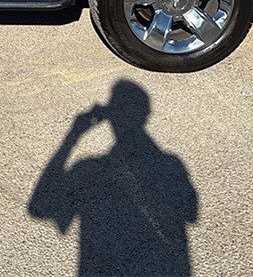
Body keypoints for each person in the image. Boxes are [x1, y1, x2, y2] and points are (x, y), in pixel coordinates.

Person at [29, 80, 198, 276]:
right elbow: (190, 213)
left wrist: (73, 136)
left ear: (110, 118)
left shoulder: (88, 170)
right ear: (146, 115)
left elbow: (40, 208)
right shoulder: (170, 165)